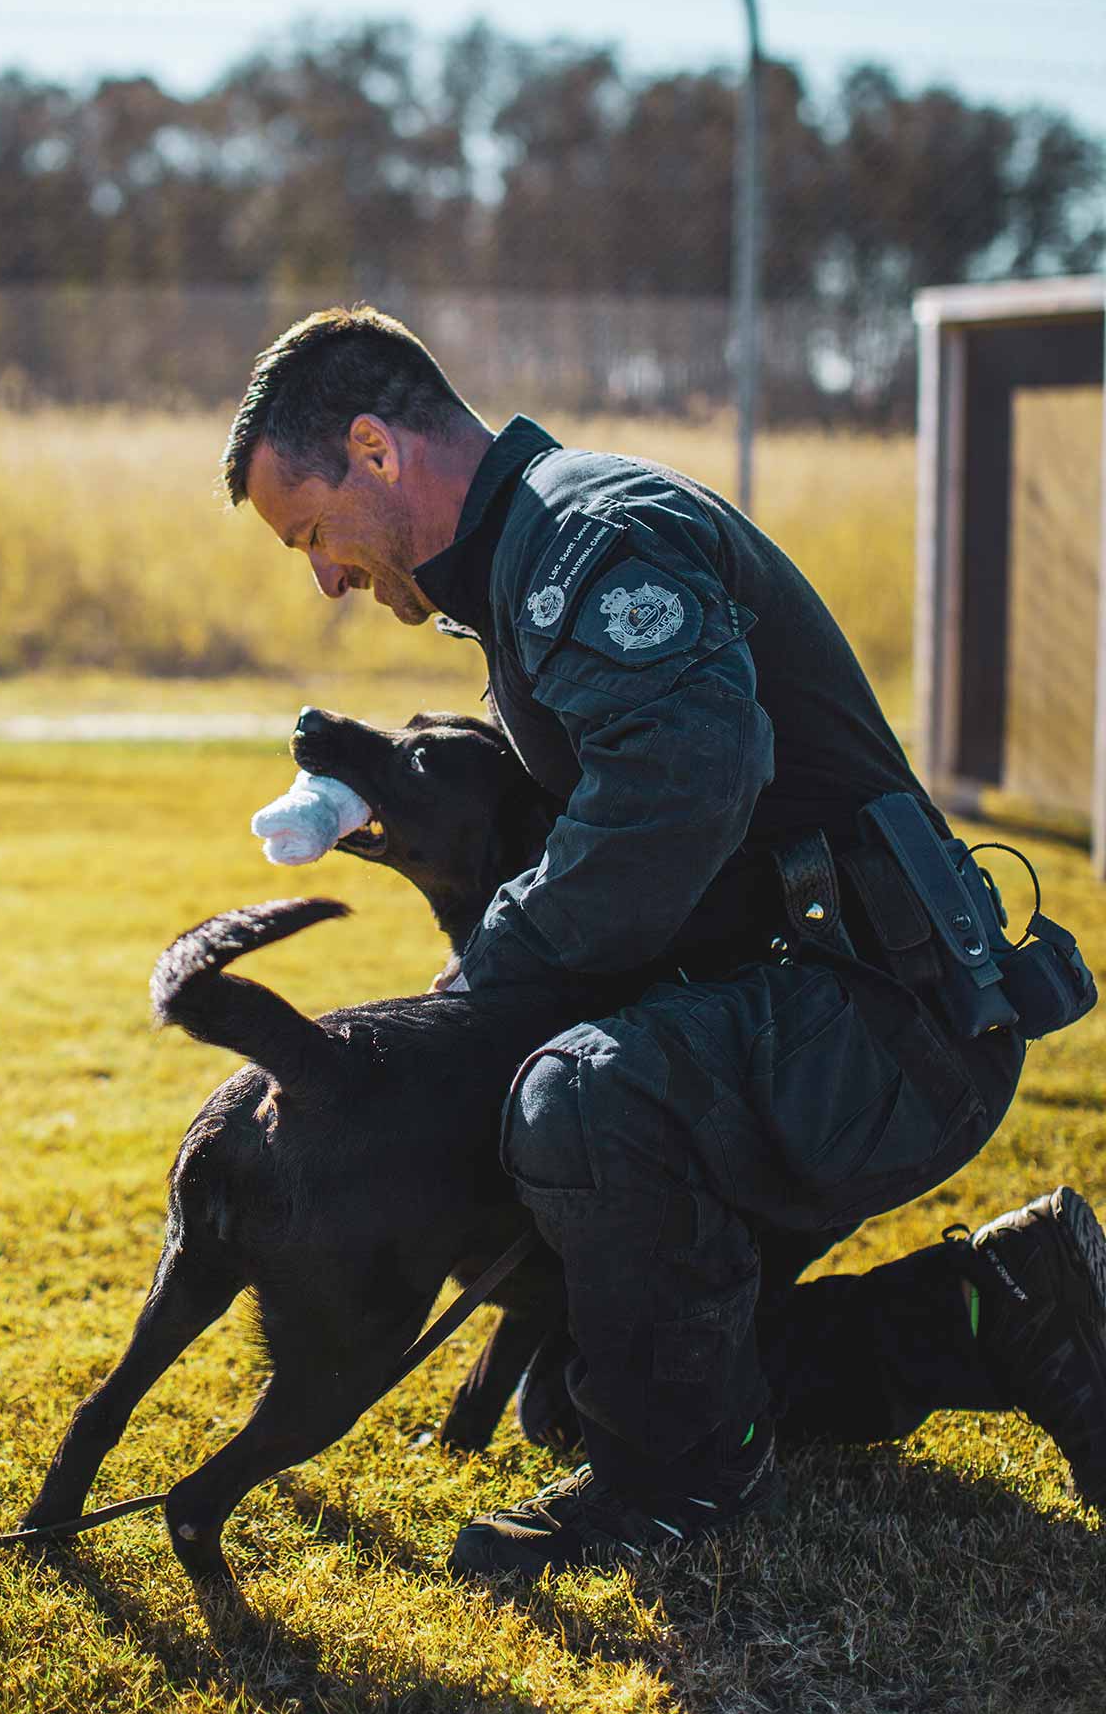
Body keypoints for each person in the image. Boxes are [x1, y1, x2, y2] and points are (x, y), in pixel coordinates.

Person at [221, 303, 1106, 1585]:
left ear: (373, 448)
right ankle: (1002, 1311)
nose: (323, 577)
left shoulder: (588, 543)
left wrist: (480, 990)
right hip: (834, 1006)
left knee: (578, 1099)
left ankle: (675, 1486)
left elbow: (676, 795)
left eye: (309, 533)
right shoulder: (527, 564)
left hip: (881, 1025)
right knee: (601, 1385)